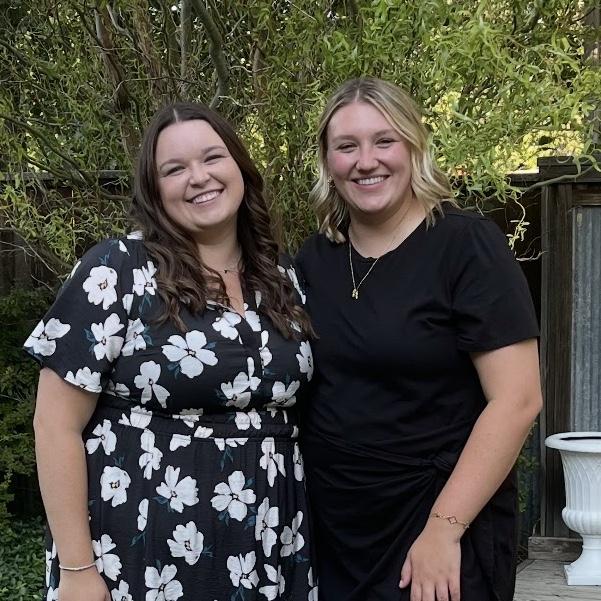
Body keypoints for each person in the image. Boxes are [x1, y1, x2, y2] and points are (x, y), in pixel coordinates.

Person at [27, 102, 317, 601]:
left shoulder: (281, 276)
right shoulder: (118, 269)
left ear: (240, 166)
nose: (199, 177)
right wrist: (77, 570)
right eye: (175, 169)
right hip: (143, 544)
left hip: (270, 539)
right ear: (155, 189)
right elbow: (54, 426)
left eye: (212, 157)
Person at [295, 77, 542, 601]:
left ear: (413, 146)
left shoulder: (466, 246)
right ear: (327, 161)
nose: (366, 161)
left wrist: (443, 530)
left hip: (437, 522)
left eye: (384, 141)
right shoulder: (314, 259)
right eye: (347, 146)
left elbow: (518, 400)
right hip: (334, 530)